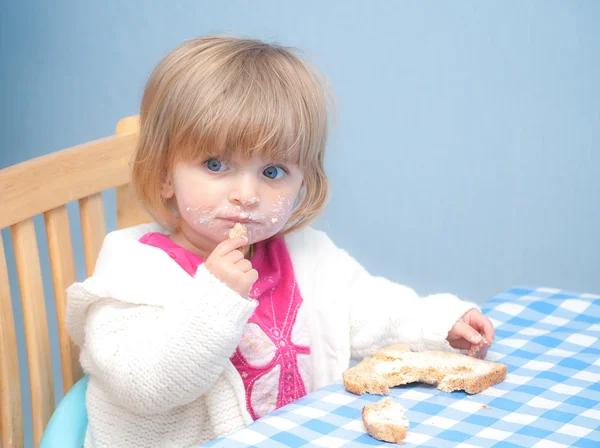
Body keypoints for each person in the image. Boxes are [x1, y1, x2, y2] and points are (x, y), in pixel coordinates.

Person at [66, 35, 494, 447]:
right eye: (216, 165)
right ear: (164, 176)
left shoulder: (304, 255)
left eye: (272, 172)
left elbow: (368, 308)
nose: (247, 195)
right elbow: (147, 385)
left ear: (303, 180)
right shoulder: (133, 272)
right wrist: (215, 299)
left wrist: (436, 323)